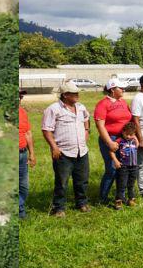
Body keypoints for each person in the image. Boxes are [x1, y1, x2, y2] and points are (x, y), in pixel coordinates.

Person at [41, 81, 91, 216]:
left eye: (77, 93)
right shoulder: (53, 109)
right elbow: (46, 130)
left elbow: (87, 118)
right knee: (62, 182)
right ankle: (59, 208)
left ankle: (82, 203)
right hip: (63, 152)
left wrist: (86, 130)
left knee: (82, 180)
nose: (77, 95)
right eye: (74, 93)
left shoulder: (81, 107)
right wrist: (54, 147)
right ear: (65, 95)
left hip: (81, 151)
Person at [93, 79, 132, 206]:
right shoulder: (102, 104)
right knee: (112, 169)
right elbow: (100, 126)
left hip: (124, 139)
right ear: (112, 90)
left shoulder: (123, 102)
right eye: (121, 88)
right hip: (111, 139)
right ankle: (102, 198)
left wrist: (133, 136)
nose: (124, 90)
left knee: (124, 169)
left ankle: (120, 196)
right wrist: (109, 142)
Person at [112, 119, 141, 208]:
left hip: (134, 166)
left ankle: (131, 200)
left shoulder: (133, 141)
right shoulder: (120, 141)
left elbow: (137, 145)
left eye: (131, 134)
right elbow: (111, 151)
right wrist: (115, 161)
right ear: (123, 132)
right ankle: (118, 201)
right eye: (127, 134)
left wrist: (135, 137)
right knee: (122, 184)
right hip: (123, 166)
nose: (128, 136)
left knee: (131, 184)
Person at [19, 92, 34, 219]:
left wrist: (32, 153)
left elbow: (28, 133)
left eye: (20, 97)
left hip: (22, 154)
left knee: (24, 186)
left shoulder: (22, 112)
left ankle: (20, 209)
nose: (19, 99)